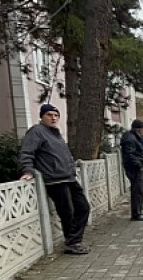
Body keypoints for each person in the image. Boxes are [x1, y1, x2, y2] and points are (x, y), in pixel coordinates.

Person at [20, 104, 91, 255]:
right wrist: (27, 170)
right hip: (54, 179)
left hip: (68, 177)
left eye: (56, 115)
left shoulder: (56, 133)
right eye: (49, 115)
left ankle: (74, 239)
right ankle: (72, 243)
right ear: (42, 116)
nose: (53, 118)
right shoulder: (36, 132)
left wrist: (71, 168)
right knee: (67, 212)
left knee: (83, 207)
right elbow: (27, 152)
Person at [121, 120, 143, 221]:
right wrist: (139, 165)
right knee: (137, 191)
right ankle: (136, 213)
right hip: (134, 169)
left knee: (139, 190)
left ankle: (139, 211)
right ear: (139, 129)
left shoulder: (134, 137)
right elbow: (130, 155)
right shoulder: (130, 139)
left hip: (136, 167)